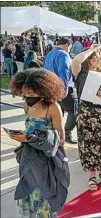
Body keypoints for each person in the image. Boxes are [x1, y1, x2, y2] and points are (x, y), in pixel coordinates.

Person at [10, 68, 67, 217]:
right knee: (28, 195)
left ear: (43, 91)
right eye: (25, 94)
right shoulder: (27, 106)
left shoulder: (53, 108)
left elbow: (61, 140)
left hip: (46, 163)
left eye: (32, 94)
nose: (28, 97)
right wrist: (23, 137)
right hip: (28, 160)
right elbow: (29, 129)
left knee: (44, 199)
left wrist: (30, 138)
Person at [72, 45, 101, 191]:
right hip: (85, 114)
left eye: (98, 58)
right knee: (89, 146)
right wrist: (92, 50)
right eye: (93, 58)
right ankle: (92, 176)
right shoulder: (81, 73)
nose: (96, 60)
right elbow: (76, 61)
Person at [43, 37, 77, 144]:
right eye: (70, 47)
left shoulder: (49, 54)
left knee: (57, 112)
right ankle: (67, 132)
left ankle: (56, 134)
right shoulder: (63, 54)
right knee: (74, 110)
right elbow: (64, 71)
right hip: (60, 88)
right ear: (67, 45)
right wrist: (64, 88)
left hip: (49, 88)